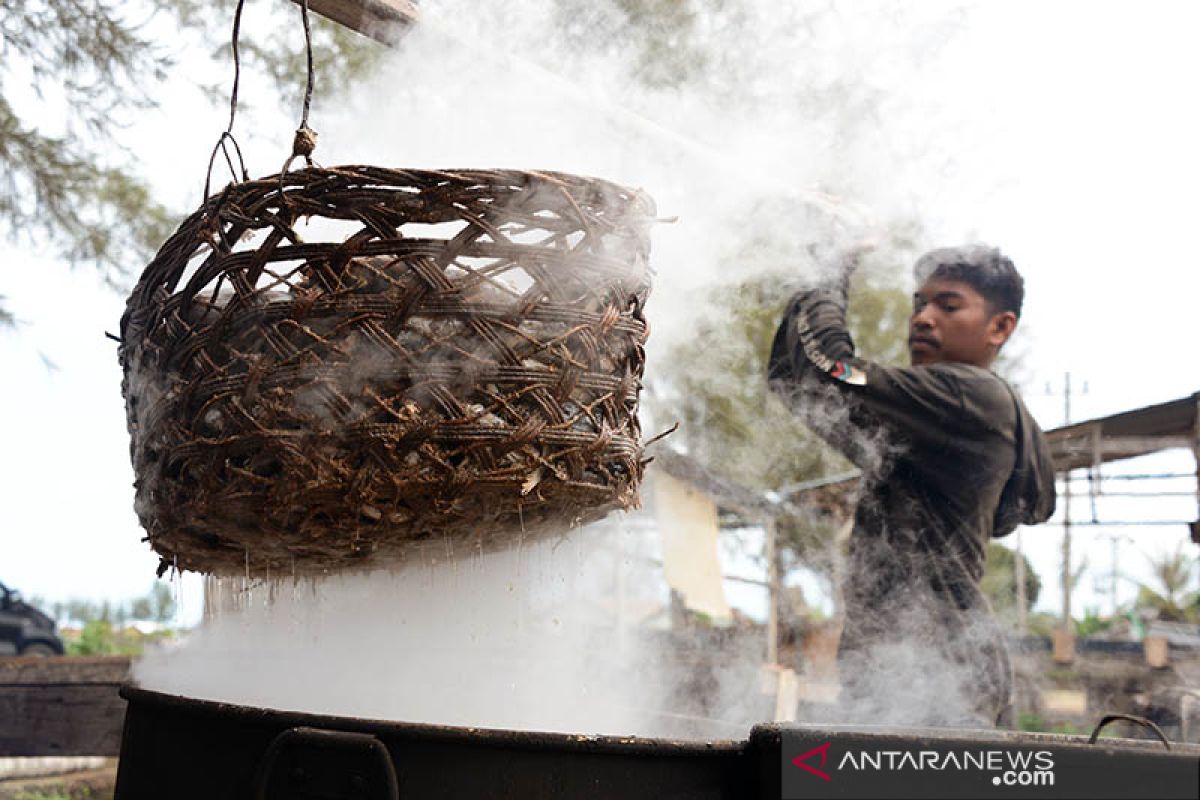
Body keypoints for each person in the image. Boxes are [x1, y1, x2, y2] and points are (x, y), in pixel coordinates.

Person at [767, 244, 1056, 727]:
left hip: (935, 678)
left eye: (948, 305)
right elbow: (792, 379)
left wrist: (829, 266)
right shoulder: (926, 432)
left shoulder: (968, 396)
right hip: (907, 672)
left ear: (1000, 327)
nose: (922, 318)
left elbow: (828, 367)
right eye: (918, 304)